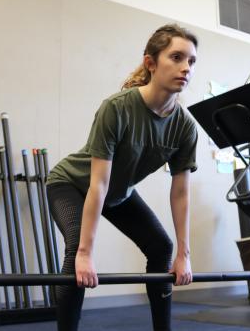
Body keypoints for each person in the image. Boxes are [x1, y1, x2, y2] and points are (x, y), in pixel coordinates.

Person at [46, 24, 199, 331]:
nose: (186, 68)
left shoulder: (185, 127)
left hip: (118, 193)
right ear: (151, 63)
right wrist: (85, 254)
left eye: (191, 61)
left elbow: (180, 193)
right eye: (177, 57)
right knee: (77, 246)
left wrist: (184, 254)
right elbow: (98, 183)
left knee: (161, 247)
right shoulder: (116, 108)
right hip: (71, 184)